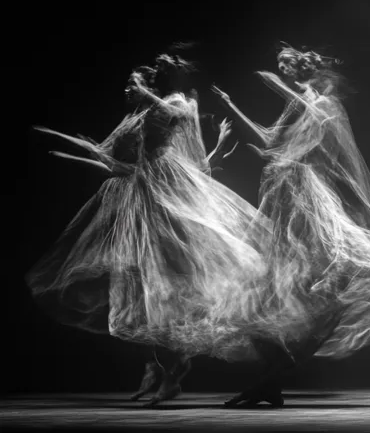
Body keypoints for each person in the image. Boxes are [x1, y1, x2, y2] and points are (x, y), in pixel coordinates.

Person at [29, 53, 263, 407]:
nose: (129, 88)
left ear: (151, 85)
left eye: (135, 83)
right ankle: (159, 367)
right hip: (143, 197)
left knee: (166, 283)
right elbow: (114, 161)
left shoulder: (175, 103)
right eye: (127, 84)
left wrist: (212, 147)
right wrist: (69, 145)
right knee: (142, 285)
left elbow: (180, 130)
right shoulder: (136, 119)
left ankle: (171, 370)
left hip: (164, 192)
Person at [213, 45, 370, 407]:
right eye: (279, 65)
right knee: (256, 297)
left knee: (296, 291)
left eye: (285, 63)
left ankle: (269, 383)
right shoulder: (297, 103)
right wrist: (232, 106)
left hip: (303, 198)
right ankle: (270, 384)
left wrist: (279, 88)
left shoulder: (322, 104)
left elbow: (312, 134)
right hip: (279, 198)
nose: (281, 68)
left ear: (303, 66)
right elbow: (271, 142)